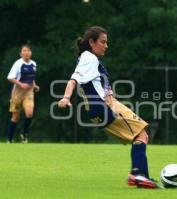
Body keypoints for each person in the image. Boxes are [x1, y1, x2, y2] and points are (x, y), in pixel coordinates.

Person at [58, 26, 159, 189]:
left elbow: (99, 85)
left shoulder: (90, 59)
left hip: (98, 110)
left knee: (139, 136)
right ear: (91, 42)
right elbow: (73, 80)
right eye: (103, 42)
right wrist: (66, 97)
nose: (106, 45)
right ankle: (138, 174)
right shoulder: (88, 58)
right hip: (106, 107)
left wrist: (109, 94)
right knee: (141, 134)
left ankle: (141, 176)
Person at [7, 45, 40, 143]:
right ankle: (9, 138)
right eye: (24, 51)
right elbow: (10, 77)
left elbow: (31, 77)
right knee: (15, 117)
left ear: (31, 53)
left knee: (29, 113)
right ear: (21, 54)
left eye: (28, 50)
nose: (27, 52)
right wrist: (21, 84)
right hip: (17, 93)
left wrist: (35, 85)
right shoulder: (18, 64)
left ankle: (24, 133)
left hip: (29, 93)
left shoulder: (34, 64)